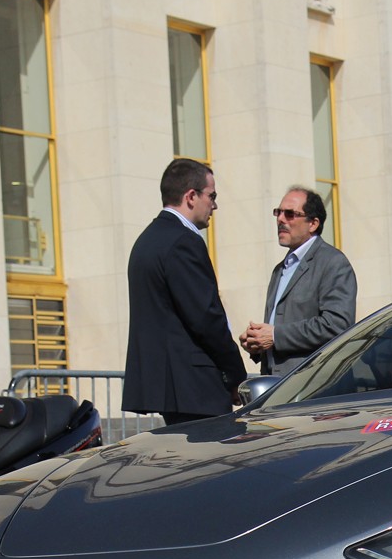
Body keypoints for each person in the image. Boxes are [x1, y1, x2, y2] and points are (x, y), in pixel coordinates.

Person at [121, 158, 247, 425]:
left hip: (171, 388)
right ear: (191, 196)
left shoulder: (147, 240)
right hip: (195, 388)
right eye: (211, 196)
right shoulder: (183, 242)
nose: (214, 205)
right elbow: (205, 317)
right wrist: (235, 372)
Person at [241, 186, 357, 376]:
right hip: (277, 385)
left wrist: (275, 335)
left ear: (313, 223)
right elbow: (277, 331)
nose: (280, 219)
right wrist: (257, 344)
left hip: (313, 386)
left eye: (290, 214)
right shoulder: (280, 269)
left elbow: (337, 325)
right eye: (278, 212)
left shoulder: (333, 262)